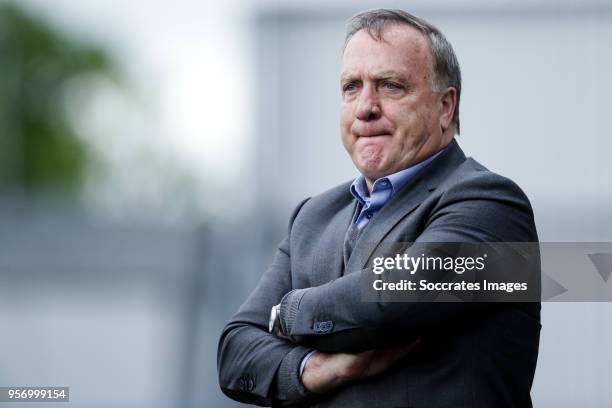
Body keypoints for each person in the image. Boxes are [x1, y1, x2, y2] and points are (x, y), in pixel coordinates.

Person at [218, 8, 540, 407]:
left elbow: (391, 300)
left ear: (445, 107)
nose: (365, 107)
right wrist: (317, 369)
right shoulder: (311, 218)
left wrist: (287, 312)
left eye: (390, 86)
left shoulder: (491, 205)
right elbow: (235, 354)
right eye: (351, 87)